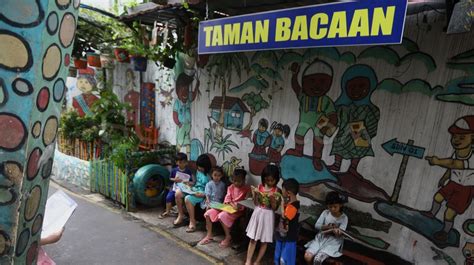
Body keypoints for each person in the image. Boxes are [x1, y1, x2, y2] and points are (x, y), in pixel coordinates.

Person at [424, 115, 474, 242]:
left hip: (465, 189)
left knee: (449, 213)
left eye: (462, 137)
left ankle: (445, 232)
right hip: (453, 183)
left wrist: (437, 161)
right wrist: (444, 177)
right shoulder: (457, 152)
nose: (456, 140)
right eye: (454, 136)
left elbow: (455, 164)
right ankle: (432, 213)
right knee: (437, 197)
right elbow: (451, 167)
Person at [199, 168, 250, 248]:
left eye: (239, 181)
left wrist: (237, 206)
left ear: (243, 180)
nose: (236, 183)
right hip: (226, 207)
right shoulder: (231, 187)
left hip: (237, 211)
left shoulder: (247, 189)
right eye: (234, 181)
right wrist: (229, 204)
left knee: (221, 216)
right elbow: (227, 198)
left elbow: (246, 201)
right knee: (208, 213)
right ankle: (209, 235)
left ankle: (228, 237)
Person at [245, 165, 282, 265]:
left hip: (268, 215)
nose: (269, 183)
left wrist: (272, 200)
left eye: (271, 180)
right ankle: (248, 261)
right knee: (253, 238)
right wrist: (255, 195)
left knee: (264, 240)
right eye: (267, 180)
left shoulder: (277, 191)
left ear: (276, 179)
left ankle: (257, 261)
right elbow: (256, 203)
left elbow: (275, 208)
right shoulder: (260, 187)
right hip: (258, 213)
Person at [304, 191, 348, 265]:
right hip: (320, 238)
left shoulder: (344, 218)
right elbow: (317, 226)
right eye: (330, 207)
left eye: (335, 207)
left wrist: (338, 232)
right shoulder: (325, 213)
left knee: (317, 260)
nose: (332, 209)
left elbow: (341, 232)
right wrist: (327, 227)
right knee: (307, 256)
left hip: (333, 242)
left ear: (340, 205)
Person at [174, 154, 211, 232]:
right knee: (178, 193)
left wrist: (203, 194)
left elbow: (210, 191)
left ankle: (192, 221)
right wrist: (190, 184)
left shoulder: (209, 176)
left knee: (188, 198)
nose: (199, 168)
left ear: (206, 167)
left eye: (201, 167)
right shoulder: (198, 171)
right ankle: (180, 215)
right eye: (198, 166)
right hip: (194, 189)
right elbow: (196, 182)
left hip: (202, 193)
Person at [274, 178, 300, 265]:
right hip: (282, 235)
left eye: (283, 190)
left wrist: (281, 204)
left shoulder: (294, 206)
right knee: (278, 256)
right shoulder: (289, 204)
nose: (282, 192)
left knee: (285, 259)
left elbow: (285, 216)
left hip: (289, 238)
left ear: (288, 193)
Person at [160, 153, 193, 219]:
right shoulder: (174, 170)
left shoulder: (188, 171)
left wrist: (188, 182)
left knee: (183, 198)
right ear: (177, 162)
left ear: (186, 163)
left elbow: (191, 181)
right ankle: (167, 211)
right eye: (180, 162)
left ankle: (181, 212)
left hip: (184, 188)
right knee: (168, 197)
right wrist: (175, 179)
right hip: (175, 187)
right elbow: (170, 178)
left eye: (184, 162)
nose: (182, 164)